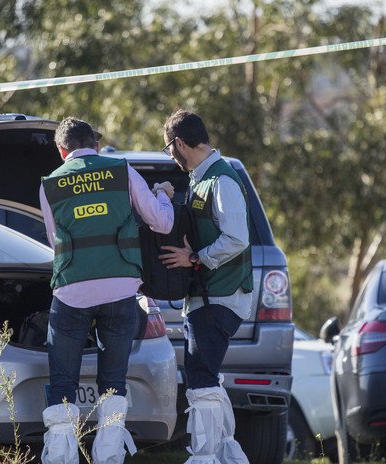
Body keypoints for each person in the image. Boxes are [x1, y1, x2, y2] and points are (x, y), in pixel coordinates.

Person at [39, 117, 175, 464]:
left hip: (71, 294)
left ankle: (60, 458)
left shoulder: (50, 184)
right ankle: (110, 457)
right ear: (95, 145)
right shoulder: (121, 170)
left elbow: (55, 240)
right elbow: (162, 222)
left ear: (61, 150)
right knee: (113, 382)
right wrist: (162, 194)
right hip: (120, 292)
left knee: (62, 384)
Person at [159, 110, 252, 464]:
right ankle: (225, 455)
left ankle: (206, 457)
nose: (170, 156)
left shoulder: (221, 179)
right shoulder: (201, 178)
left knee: (201, 378)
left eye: (169, 149)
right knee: (206, 376)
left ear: (180, 143)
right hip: (205, 298)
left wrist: (195, 259)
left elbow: (237, 238)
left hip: (220, 297)